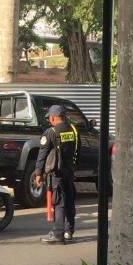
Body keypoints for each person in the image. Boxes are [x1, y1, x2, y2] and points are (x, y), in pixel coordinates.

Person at [34, 105, 80, 244]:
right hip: (69, 171)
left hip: (56, 173)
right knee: (70, 201)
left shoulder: (51, 132)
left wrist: (38, 173)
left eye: (50, 118)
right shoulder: (73, 130)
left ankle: (58, 233)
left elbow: (42, 155)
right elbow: (78, 151)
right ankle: (68, 231)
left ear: (53, 117)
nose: (49, 120)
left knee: (59, 201)